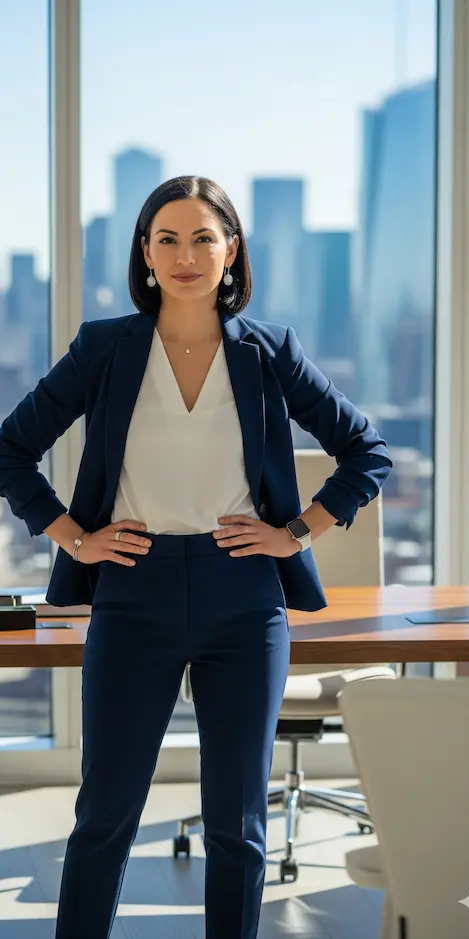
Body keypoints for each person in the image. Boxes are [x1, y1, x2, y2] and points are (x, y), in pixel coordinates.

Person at [0, 175, 393, 939]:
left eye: (203, 237)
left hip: (243, 596)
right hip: (132, 592)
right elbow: (11, 448)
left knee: (237, 826)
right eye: (168, 238)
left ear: (231, 249)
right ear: (144, 252)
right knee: (104, 816)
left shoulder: (268, 350)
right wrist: (75, 537)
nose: (186, 255)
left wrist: (298, 531)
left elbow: (365, 451)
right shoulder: (105, 347)